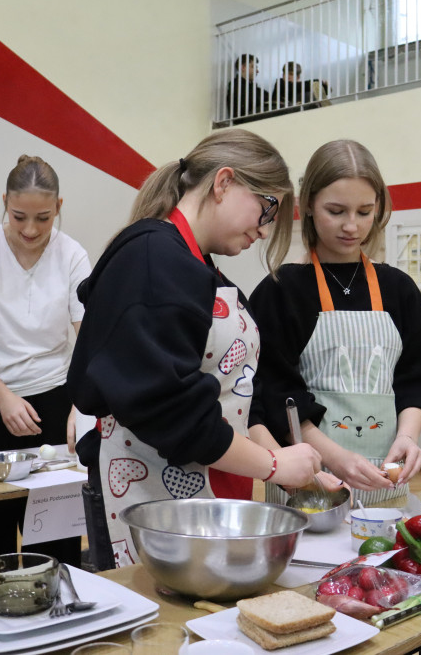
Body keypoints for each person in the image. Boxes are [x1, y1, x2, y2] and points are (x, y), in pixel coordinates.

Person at [67, 129, 322, 568]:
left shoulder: (197, 266)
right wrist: (273, 467)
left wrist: (277, 454)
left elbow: (233, 394)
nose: (263, 231)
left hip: (202, 493)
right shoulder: (152, 257)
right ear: (223, 182)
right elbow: (174, 410)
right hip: (147, 497)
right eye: (267, 211)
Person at [248, 140, 421, 507]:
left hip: (386, 487)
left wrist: (408, 435)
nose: (352, 226)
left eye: (364, 211)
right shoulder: (282, 290)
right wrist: (334, 458)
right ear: (308, 205)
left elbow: (416, 379)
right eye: (336, 211)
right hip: (310, 488)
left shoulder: (399, 289)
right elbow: (275, 396)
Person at [0, 154, 90, 566]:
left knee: (54, 546)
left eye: (44, 218)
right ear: (4, 202)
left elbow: (88, 342)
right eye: (19, 216)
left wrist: (80, 406)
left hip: (51, 400)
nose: (30, 230)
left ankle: (53, 625)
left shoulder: (72, 254)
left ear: (59, 207)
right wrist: (4, 397)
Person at [226, 53, 269, 120]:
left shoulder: (257, 90)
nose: (257, 71)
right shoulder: (235, 86)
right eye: (253, 67)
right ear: (243, 67)